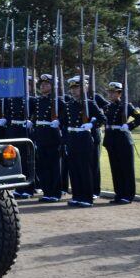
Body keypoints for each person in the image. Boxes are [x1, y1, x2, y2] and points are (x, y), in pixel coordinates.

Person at [60, 76, 106, 207]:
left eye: (77, 88)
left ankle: (86, 198)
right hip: (72, 139)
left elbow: (102, 118)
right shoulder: (69, 105)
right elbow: (63, 122)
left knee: (85, 169)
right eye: (72, 88)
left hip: (84, 139)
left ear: (84, 88)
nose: (74, 91)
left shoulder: (90, 103)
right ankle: (77, 196)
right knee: (74, 169)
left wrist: (92, 124)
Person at [102, 82, 140, 204]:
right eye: (109, 92)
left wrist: (129, 125)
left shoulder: (126, 106)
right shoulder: (107, 107)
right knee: (115, 169)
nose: (110, 94)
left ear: (119, 93)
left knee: (126, 169)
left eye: (113, 92)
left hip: (123, 140)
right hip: (111, 140)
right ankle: (119, 194)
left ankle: (128, 195)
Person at [31, 74, 62, 202]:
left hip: (52, 136)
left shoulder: (57, 100)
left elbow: (66, 116)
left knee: (54, 166)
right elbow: (35, 117)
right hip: (41, 136)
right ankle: (47, 191)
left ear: (52, 86)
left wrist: (59, 121)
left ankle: (55, 193)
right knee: (43, 166)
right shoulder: (38, 100)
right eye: (42, 84)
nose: (43, 86)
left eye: (46, 84)